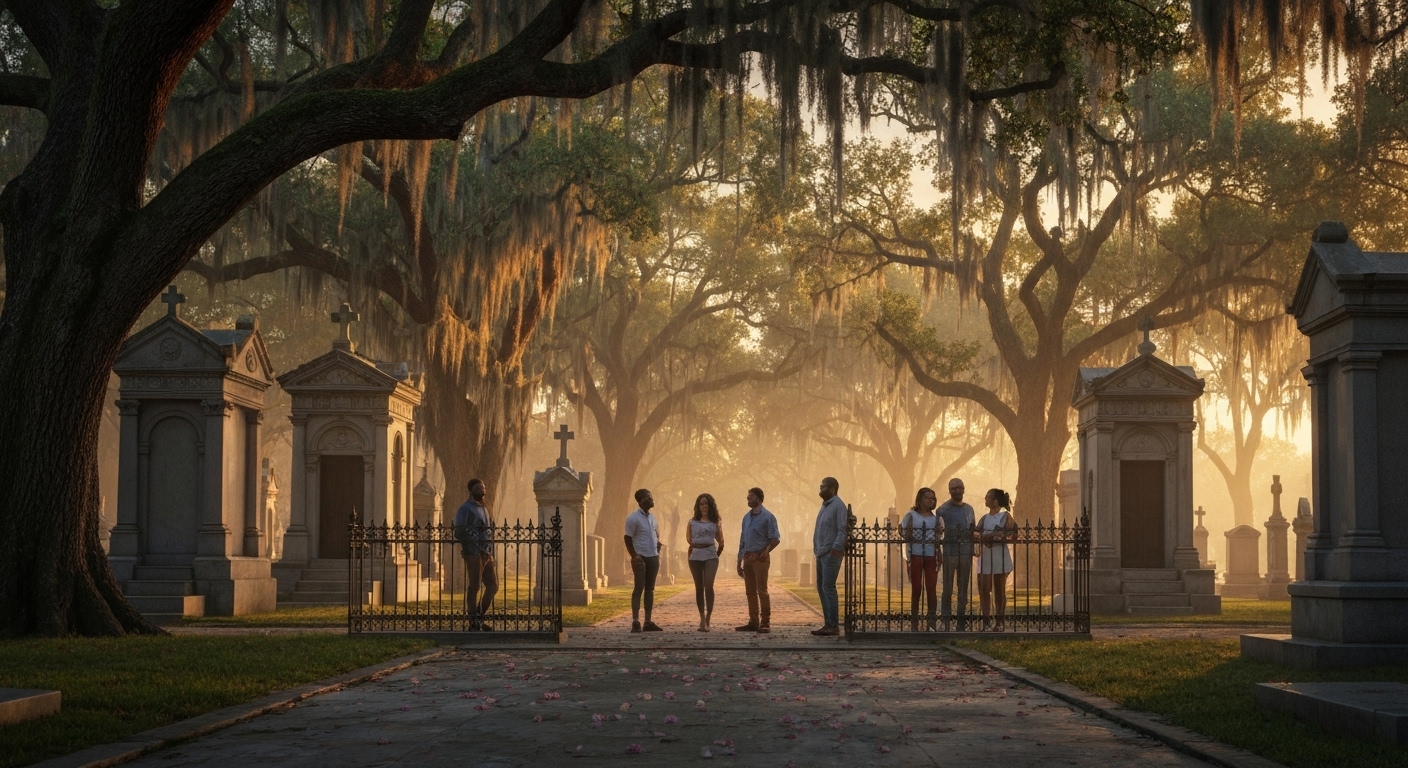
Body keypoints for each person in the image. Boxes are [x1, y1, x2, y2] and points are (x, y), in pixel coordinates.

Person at [453, 478, 497, 631]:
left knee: (493, 586)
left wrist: (489, 550)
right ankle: (473, 621)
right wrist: (472, 545)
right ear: (471, 491)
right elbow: (459, 531)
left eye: (483, 488)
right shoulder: (465, 509)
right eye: (479, 488)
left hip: (486, 552)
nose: (482, 490)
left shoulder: (484, 508)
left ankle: (479, 617)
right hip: (473, 552)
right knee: (475, 586)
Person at [736, 487, 780, 633]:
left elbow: (775, 538)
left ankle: (765, 622)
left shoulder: (768, 517)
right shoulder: (746, 517)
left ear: (759, 499)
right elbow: (743, 540)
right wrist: (739, 560)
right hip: (748, 557)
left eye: (752, 495)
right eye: (748, 495)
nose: (748, 497)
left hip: (760, 558)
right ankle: (753, 620)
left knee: (762, 590)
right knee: (750, 591)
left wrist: (765, 552)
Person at [901, 487, 943, 631]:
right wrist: (910, 535)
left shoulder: (936, 518)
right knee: (916, 588)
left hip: (931, 555)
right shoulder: (911, 515)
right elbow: (902, 530)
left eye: (932, 498)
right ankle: (914, 621)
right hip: (916, 554)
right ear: (920, 500)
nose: (930, 500)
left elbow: (940, 535)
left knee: (931, 588)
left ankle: (931, 621)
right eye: (927, 497)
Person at [936, 477, 976, 630]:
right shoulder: (942, 510)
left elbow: (972, 530)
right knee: (947, 588)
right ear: (949, 491)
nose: (957, 490)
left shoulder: (969, 509)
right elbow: (938, 532)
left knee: (963, 588)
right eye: (954, 488)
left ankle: (961, 619)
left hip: (965, 552)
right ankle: (946, 619)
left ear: (964, 489)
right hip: (950, 552)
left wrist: (973, 548)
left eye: (959, 487)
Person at [977, 488, 1018, 631]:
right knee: (984, 588)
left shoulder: (1005, 516)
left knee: (999, 589)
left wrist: (996, 536)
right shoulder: (984, 518)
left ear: (995, 501)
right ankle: (986, 620)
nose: (985, 498)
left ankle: (999, 621)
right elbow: (976, 533)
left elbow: (1013, 534)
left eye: (987, 497)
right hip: (986, 556)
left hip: (1000, 555)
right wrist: (983, 537)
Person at [810, 476, 847, 636]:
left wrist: (836, 548)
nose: (821, 489)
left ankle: (833, 624)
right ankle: (827, 623)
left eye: (824, 486)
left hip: (831, 553)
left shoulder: (838, 506)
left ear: (833, 488)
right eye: (820, 485)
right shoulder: (825, 506)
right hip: (821, 552)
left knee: (828, 588)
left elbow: (842, 528)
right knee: (821, 588)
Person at [623, 488, 664, 633]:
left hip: (653, 556)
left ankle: (648, 620)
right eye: (648, 497)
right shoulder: (633, 518)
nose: (651, 499)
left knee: (650, 589)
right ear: (640, 501)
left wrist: (657, 545)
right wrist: (634, 555)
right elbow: (627, 538)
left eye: (651, 496)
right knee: (639, 587)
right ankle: (635, 620)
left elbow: (656, 534)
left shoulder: (653, 518)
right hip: (640, 556)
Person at [686, 493, 725, 632]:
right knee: (699, 587)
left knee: (708, 585)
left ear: (710, 506)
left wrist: (715, 555)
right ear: (698, 506)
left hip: (710, 555)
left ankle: (708, 618)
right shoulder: (692, 522)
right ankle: (702, 618)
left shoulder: (715, 523)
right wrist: (696, 547)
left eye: (706, 504)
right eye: (701, 504)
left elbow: (721, 542)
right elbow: (689, 539)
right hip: (695, 556)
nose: (704, 506)